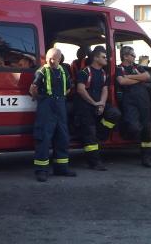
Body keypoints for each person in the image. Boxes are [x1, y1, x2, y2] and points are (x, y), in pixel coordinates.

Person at [29, 48, 76, 182]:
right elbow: (33, 88)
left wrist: (61, 97)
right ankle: (41, 171)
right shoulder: (42, 71)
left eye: (54, 58)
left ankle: (61, 168)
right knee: (43, 137)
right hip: (46, 106)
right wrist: (40, 98)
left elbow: (69, 87)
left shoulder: (63, 70)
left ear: (60, 59)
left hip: (60, 105)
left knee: (62, 137)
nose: (50, 60)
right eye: (49, 58)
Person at [74, 46, 121, 170]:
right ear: (95, 58)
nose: (107, 59)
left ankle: (99, 135)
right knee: (90, 134)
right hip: (85, 107)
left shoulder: (103, 73)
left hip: (98, 104)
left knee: (114, 113)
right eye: (104, 57)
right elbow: (80, 89)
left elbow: (105, 90)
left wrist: (102, 104)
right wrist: (94, 103)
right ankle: (94, 162)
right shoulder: (84, 72)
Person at [116, 46, 151, 167]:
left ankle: (147, 158)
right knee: (133, 126)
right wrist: (139, 79)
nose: (135, 57)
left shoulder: (137, 67)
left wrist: (129, 77)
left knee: (147, 129)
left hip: (143, 100)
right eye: (132, 55)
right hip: (129, 101)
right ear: (125, 56)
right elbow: (122, 81)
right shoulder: (119, 68)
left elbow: (147, 76)